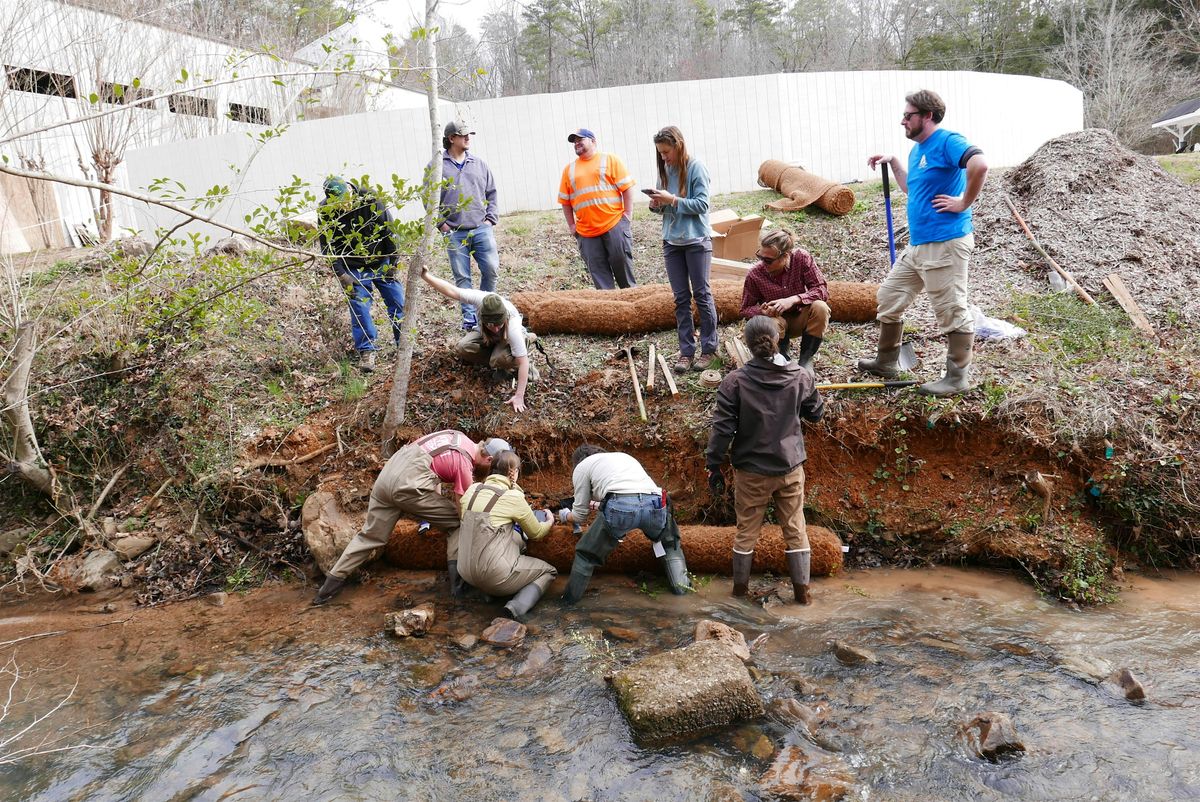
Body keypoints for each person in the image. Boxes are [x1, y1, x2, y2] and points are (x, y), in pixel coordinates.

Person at [861, 89, 989, 396]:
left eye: (908, 115)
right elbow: (910, 188)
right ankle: (886, 361)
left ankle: (957, 378)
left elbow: (980, 165)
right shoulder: (917, 150)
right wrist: (893, 162)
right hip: (918, 246)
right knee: (889, 298)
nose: (902, 121)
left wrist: (964, 202)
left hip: (945, 243)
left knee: (950, 309)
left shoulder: (946, 141)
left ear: (927, 116)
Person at [312, 430, 511, 605]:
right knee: (457, 525)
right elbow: (465, 508)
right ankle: (459, 589)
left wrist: (434, 509)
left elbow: (433, 468)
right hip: (408, 487)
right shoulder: (463, 462)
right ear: (489, 460)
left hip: (387, 477)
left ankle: (328, 590)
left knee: (370, 536)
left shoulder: (455, 435)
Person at [705, 316, 824, 604]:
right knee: (795, 529)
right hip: (790, 466)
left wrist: (714, 465)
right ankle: (803, 597)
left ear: (747, 344)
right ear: (776, 340)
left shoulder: (734, 382)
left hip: (752, 472)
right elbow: (816, 414)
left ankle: (739, 595)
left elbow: (722, 429)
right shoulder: (800, 376)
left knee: (746, 531)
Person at [558, 445, 691, 603]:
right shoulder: (623, 457)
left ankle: (568, 603)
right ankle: (683, 593)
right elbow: (635, 493)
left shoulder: (581, 467)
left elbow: (580, 516)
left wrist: (566, 515)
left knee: (586, 555)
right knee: (669, 545)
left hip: (621, 508)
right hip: (656, 504)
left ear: (577, 461)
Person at [646, 125, 719, 374]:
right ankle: (686, 351)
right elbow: (665, 208)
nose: (664, 157)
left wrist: (672, 200)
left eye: (666, 151)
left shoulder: (697, 168)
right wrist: (657, 204)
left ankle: (709, 349)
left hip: (696, 241)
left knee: (702, 295)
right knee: (680, 299)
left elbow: (702, 204)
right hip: (672, 243)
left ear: (678, 145)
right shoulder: (665, 170)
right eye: (660, 153)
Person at [457, 450, 557, 622]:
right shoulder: (513, 497)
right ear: (514, 472)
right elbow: (536, 533)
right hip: (493, 575)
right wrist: (549, 521)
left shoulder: (472, 490)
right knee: (548, 571)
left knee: (516, 542)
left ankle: (488, 594)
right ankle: (514, 608)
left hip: (464, 570)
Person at [317, 176, 405, 373]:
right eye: (337, 203)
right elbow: (327, 245)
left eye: (344, 201)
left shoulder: (370, 199)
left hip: (380, 259)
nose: (342, 206)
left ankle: (404, 343)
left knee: (397, 301)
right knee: (359, 306)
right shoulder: (325, 210)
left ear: (350, 191)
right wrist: (341, 274)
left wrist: (393, 262)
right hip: (352, 267)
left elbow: (388, 230)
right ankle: (367, 350)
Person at [420, 268, 537, 414]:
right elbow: (451, 290)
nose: (495, 328)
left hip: (507, 337)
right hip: (485, 335)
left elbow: (523, 362)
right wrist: (425, 276)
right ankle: (497, 355)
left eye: (498, 324)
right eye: (490, 324)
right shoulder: (479, 299)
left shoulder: (512, 326)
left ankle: (522, 343)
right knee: (464, 347)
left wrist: (519, 396)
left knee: (499, 359)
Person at [433, 121, 500, 330]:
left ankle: (486, 311)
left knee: (491, 270)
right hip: (454, 233)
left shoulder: (479, 164)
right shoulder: (436, 167)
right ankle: (469, 319)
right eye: (463, 135)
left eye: (469, 134)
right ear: (451, 138)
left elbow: (492, 193)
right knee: (462, 277)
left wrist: (490, 220)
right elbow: (429, 199)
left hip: (481, 228)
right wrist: (442, 225)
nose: (468, 138)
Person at [740, 229, 831, 371]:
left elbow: (822, 290)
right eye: (761, 257)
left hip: (800, 317)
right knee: (773, 322)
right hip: (776, 322)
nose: (763, 263)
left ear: (786, 256)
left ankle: (806, 359)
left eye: (769, 260)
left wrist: (794, 299)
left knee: (821, 307)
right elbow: (745, 309)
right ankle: (782, 358)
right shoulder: (755, 274)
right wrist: (762, 312)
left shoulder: (801, 258)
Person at [558, 128, 637, 290]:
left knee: (625, 277)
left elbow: (627, 188)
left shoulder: (610, 160)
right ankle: (610, 313)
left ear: (593, 141)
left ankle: (633, 311)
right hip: (586, 233)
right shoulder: (569, 170)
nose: (576, 143)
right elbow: (565, 201)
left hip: (614, 225)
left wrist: (627, 215)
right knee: (601, 282)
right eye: (574, 141)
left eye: (581, 139)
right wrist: (572, 227)